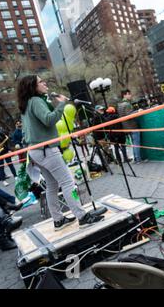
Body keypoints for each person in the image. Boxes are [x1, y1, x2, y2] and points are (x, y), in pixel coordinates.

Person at [17, 75, 104, 231]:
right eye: (40, 82)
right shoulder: (35, 101)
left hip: (36, 151)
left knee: (52, 185)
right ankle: (83, 217)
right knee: (67, 183)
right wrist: (62, 104)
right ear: (33, 86)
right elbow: (49, 120)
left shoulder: (28, 103)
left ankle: (58, 220)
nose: (44, 83)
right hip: (46, 150)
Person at [117, 89, 143, 164]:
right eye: (129, 94)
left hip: (126, 128)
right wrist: (138, 111)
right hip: (133, 126)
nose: (130, 95)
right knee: (136, 143)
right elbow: (130, 115)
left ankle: (136, 159)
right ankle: (138, 159)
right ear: (125, 95)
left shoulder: (120, 105)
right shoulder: (127, 104)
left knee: (133, 143)